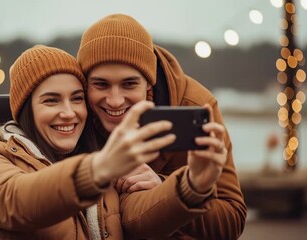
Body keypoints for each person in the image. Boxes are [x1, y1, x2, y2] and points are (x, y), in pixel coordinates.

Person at [0, 45, 176, 239]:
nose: (69, 113)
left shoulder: (97, 166)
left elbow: (140, 219)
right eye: (51, 101)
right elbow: (19, 201)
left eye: (77, 98)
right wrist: (99, 169)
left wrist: (180, 187)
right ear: (25, 110)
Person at [77, 14, 247, 239]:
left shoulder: (196, 106)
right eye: (101, 84)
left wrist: (164, 185)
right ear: (84, 83)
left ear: (149, 81)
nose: (115, 100)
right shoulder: (74, 110)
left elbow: (231, 222)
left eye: (129, 84)